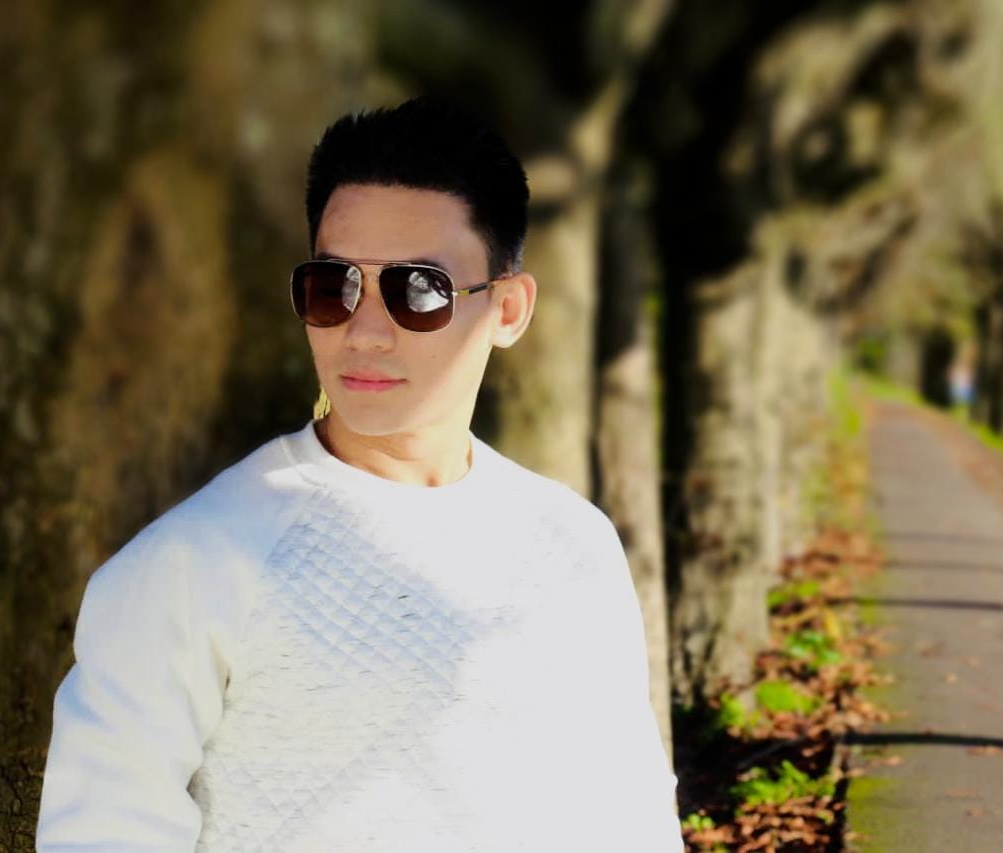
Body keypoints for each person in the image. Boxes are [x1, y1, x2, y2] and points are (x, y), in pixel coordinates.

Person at [36, 95, 683, 852]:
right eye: (334, 286)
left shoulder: (574, 543)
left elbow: (628, 815)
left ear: (508, 309)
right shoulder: (195, 562)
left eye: (418, 290)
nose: (365, 332)